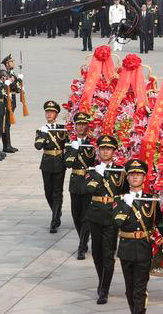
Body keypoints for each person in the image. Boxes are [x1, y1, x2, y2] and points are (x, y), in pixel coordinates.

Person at [114, 158, 163, 314]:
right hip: (126, 248)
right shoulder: (120, 199)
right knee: (129, 290)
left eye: (139, 174)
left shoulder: (152, 200)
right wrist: (127, 204)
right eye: (132, 174)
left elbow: (161, 224)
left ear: (144, 178)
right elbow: (116, 221)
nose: (135, 177)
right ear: (127, 177)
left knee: (139, 289)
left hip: (144, 247)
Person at [84, 135, 128, 305]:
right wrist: (97, 175)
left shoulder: (120, 171)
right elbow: (86, 190)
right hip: (95, 214)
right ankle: (102, 280)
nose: (105, 151)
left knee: (108, 254)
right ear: (98, 151)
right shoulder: (92, 170)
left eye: (108, 149)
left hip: (111, 215)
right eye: (102, 149)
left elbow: (124, 194)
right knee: (96, 253)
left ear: (113, 152)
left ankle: (104, 289)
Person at [65, 111, 97, 259]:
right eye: (78, 124)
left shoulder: (93, 143)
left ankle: (81, 246)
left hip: (88, 181)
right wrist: (74, 149)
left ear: (87, 127)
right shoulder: (70, 143)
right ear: (75, 126)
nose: (80, 127)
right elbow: (67, 163)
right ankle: (83, 240)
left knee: (86, 216)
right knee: (75, 215)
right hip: (75, 181)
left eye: (83, 124)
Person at [35, 100, 68, 233]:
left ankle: (54, 220)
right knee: (48, 191)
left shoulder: (62, 128)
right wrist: (43, 134)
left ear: (56, 114)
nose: (49, 114)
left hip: (59, 161)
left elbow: (69, 144)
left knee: (57, 192)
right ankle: (57, 211)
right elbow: (38, 146)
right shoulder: (42, 129)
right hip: (47, 162)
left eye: (52, 112)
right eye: (47, 112)